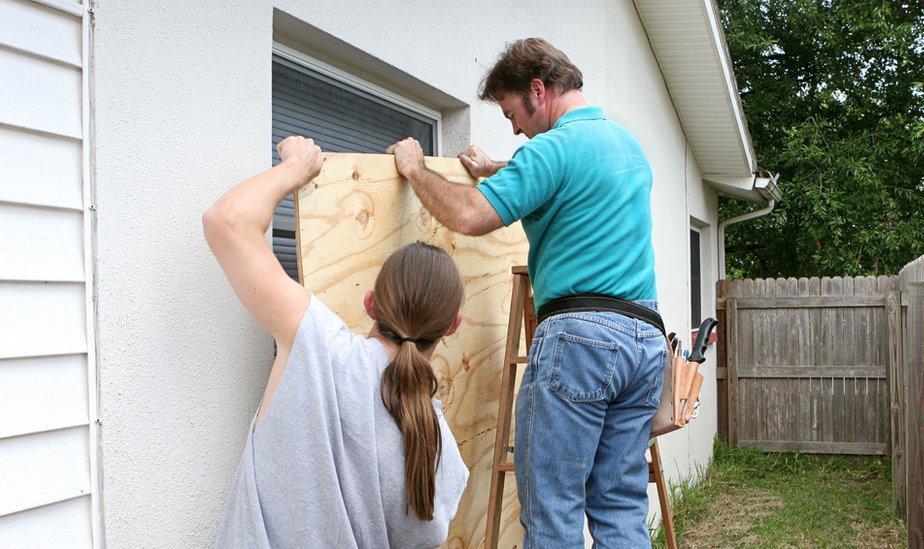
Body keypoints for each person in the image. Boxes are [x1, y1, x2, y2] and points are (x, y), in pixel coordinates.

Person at [386, 38, 666, 547]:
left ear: (538, 89)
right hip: (645, 343)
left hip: (583, 341)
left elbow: (471, 216)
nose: (514, 127)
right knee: (620, 507)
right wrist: (500, 171)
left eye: (513, 111)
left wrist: (415, 169)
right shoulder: (625, 144)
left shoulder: (552, 150)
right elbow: (571, 186)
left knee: (554, 513)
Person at [206, 136, 469, 548]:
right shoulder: (443, 452)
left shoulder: (319, 348)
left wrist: (297, 168)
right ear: (452, 326)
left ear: (370, 304)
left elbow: (227, 221)